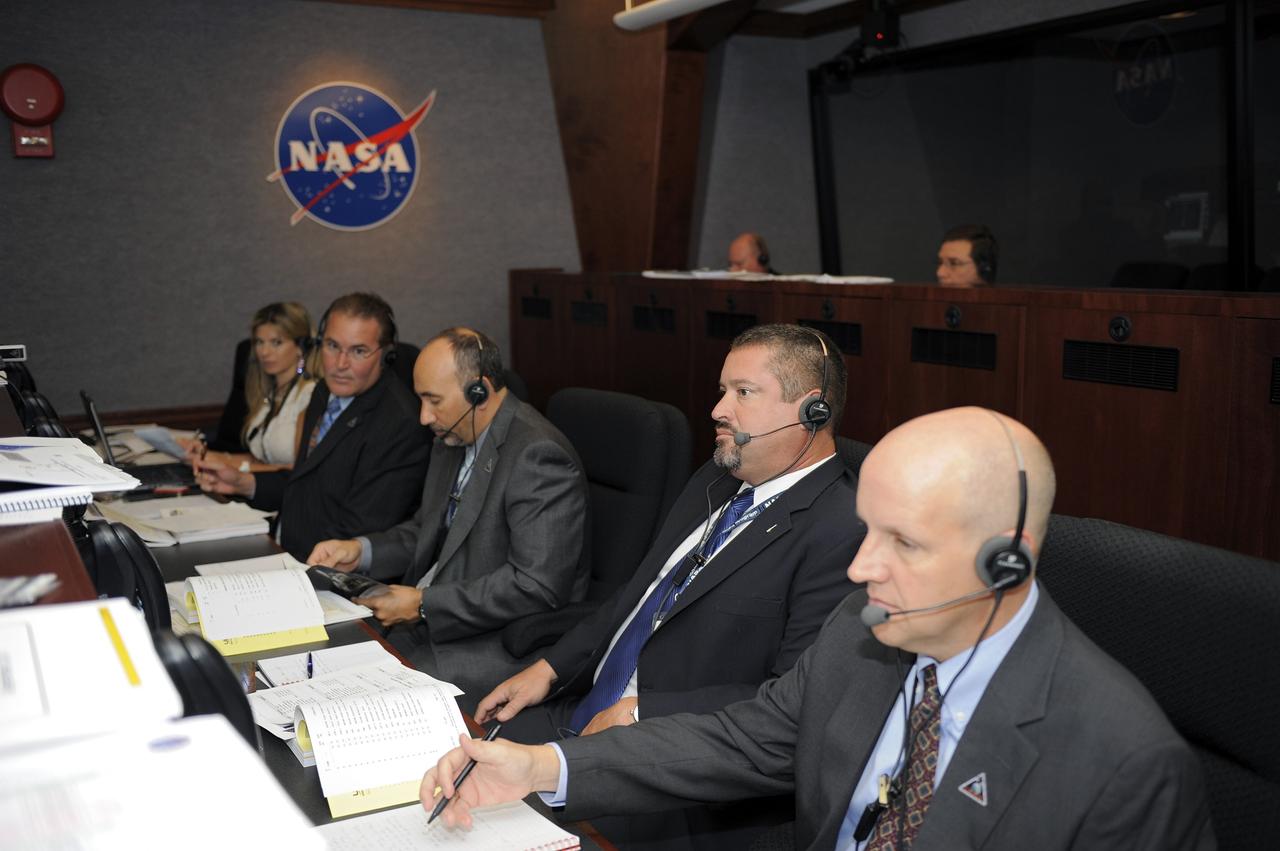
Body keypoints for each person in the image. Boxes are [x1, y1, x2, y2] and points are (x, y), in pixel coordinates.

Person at [421, 407, 1216, 851]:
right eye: (868, 530)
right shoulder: (864, 630)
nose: (863, 567)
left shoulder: (1126, 764)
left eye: (902, 543)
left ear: (1008, 563)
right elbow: (740, 739)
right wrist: (540, 764)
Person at [471, 324, 862, 847]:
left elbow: (792, 702)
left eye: (743, 393)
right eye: (723, 391)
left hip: (671, 768)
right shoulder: (717, 477)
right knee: (437, 779)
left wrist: (640, 712)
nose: (719, 410)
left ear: (811, 410)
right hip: (581, 710)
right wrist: (550, 667)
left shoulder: (843, 530)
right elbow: (638, 595)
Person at [306, 327, 590, 697]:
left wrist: (423, 605)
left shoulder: (537, 455)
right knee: (325, 662)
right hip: (436, 621)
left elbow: (535, 586)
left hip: (502, 643)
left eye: (433, 400)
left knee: (364, 694)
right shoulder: (453, 435)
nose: (424, 417)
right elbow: (427, 530)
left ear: (479, 392)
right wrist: (361, 550)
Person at [195, 293, 431, 561]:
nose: (340, 364)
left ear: (387, 355)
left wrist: (287, 570)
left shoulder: (400, 424)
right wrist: (245, 484)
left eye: (358, 351)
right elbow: (307, 483)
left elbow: (357, 532)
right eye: (332, 346)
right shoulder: (323, 391)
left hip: (324, 570)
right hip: (282, 547)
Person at [188, 302, 322, 471]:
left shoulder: (311, 395)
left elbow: (296, 470)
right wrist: (206, 456)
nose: (264, 352)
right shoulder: (270, 393)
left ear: (301, 347)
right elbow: (260, 460)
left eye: (276, 342)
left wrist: (234, 467)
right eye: (259, 342)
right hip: (257, 490)